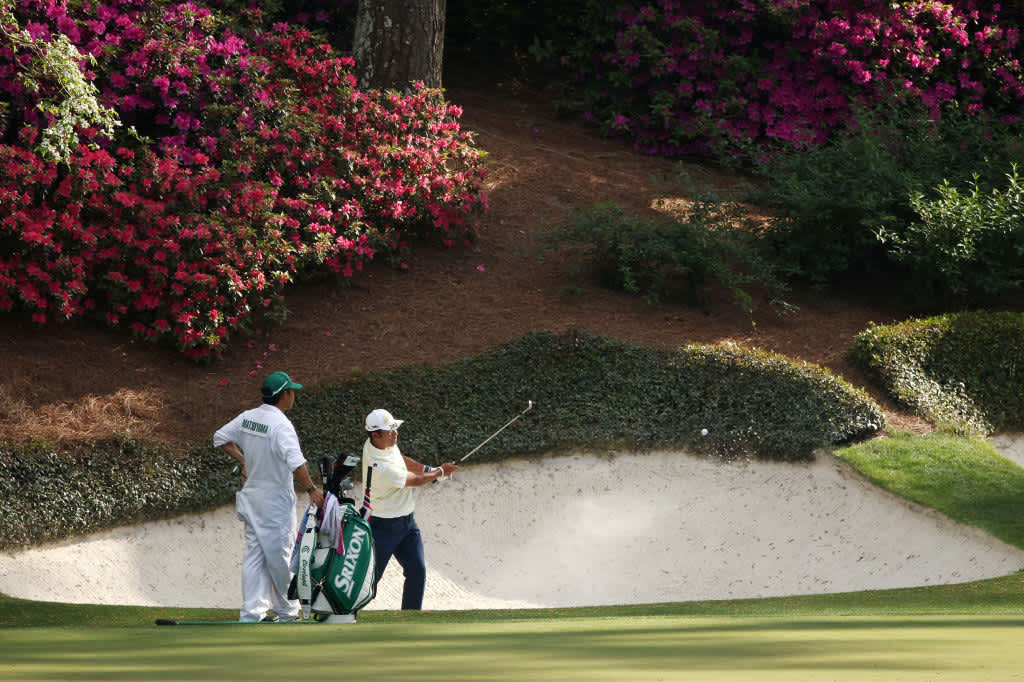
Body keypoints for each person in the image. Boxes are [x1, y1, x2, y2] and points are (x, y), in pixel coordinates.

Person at [214, 371, 325, 622]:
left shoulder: (248, 417)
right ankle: (287, 611)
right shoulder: (281, 425)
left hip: (252, 497)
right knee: (280, 555)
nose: (294, 395)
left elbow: (220, 438)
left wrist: (245, 461)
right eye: (292, 391)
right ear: (284, 395)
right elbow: (296, 462)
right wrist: (311, 489)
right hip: (275, 501)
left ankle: (252, 613)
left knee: (254, 554)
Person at [361, 408, 458, 610]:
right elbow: (414, 481)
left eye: (395, 429)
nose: (395, 433)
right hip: (383, 526)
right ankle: (346, 613)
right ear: (375, 434)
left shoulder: (382, 445)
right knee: (369, 580)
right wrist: (439, 472)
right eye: (390, 430)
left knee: (417, 571)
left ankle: (411, 618)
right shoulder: (380, 465)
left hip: (406, 522)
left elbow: (401, 460)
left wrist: (427, 469)